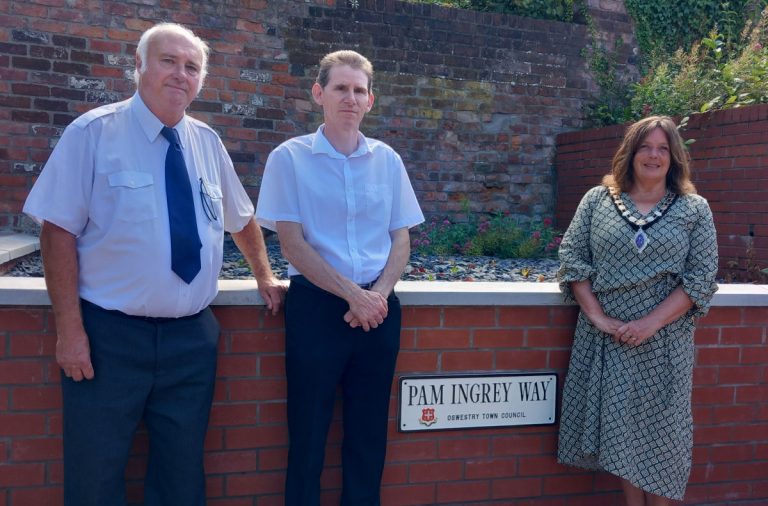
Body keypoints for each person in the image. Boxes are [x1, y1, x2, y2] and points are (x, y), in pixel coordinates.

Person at [23, 22, 284, 506]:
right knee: (95, 474)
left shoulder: (207, 142)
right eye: (169, 61)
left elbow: (241, 218)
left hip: (191, 339)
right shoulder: (93, 133)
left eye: (192, 67)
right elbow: (57, 231)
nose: (181, 74)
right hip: (109, 338)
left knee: (181, 477)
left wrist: (264, 274)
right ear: (139, 66)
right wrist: (70, 332)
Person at [256, 50, 424, 505]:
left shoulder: (387, 160)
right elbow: (291, 243)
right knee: (308, 435)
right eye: (340, 88)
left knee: (369, 437)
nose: (350, 97)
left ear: (370, 100)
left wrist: (378, 295)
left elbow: (401, 238)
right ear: (319, 94)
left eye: (358, 90)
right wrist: (353, 295)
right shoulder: (289, 158)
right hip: (317, 309)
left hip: (379, 311)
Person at [556, 115, 718, 505]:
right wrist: (597, 317)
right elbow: (573, 259)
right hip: (608, 340)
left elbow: (701, 277)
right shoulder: (597, 200)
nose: (653, 155)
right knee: (620, 437)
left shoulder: (694, 209)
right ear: (630, 153)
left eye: (663, 148)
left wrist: (649, 324)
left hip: (665, 342)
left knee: (662, 439)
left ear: (674, 157)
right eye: (645, 146)